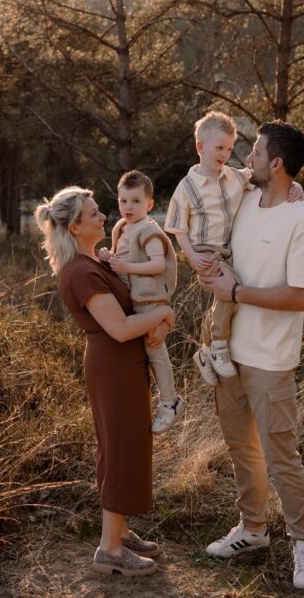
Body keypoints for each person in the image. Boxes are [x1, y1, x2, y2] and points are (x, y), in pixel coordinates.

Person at [198, 121, 304, 591]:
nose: (246, 159)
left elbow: (301, 297)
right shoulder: (244, 197)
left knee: (280, 455)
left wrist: (238, 291)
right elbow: (203, 176)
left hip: (271, 360)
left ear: (277, 163)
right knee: (241, 450)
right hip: (227, 353)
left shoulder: (302, 218)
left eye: (255, 152)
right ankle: (252, 531)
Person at [35, 186, 174, 577]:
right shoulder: (81, 272)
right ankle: (109, 550)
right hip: (113, 366)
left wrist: (159, 321)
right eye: (94, 214)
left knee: (120, 445)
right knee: (121, 448)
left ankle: (121, 531)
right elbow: (121, 327)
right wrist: (164, 312)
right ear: (76, 226)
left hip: (122, 365)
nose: (103, 218)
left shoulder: (95, 261)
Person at [164, 111, 304, 382]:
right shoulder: (188, 187)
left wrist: (293, 184)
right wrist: (192, 256)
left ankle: (205, 350)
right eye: (219, 148)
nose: (224, 154)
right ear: (200, 147)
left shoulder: (234, 177)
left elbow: (266, 175)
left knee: (228, 294)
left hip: (227, 251)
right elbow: (177, 226)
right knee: (233, 289)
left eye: (229, 149)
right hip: (204, 251)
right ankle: (217, 347)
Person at [97, 171, 183, 434]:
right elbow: (119, 259)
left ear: (149, 204)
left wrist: (127, 266)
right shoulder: (122, 228)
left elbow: (157, 265)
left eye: (135, 201)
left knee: (155, 348)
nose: (128, 207)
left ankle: (171, 401)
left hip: (150, 299)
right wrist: (107, 256)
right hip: (132, 300)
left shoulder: (149, 232)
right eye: (123, 201)